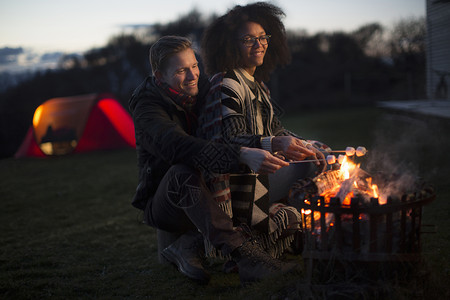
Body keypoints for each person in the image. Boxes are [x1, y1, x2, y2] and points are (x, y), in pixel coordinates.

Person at [128, 35, 299, 285]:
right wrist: (240, 155)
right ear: (159, 77)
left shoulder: (204, 90)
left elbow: (231, 124)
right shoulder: (147, 106)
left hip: (209, 191)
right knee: (182, 172)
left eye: (195, 65)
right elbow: (178, 147)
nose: (192, 75)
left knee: (237, 163)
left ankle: (190, 245)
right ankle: (247, 259)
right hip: (167, 202)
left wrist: (268, 134)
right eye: (181, 70)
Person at [201, 2, 328, 202]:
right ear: (230, 45)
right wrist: (277, 143)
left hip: (259, 175)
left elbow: (277, 131)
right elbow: (232, 140)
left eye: (262, 37)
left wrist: (304, 145)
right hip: (239, 184)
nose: (259, 45)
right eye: (248, 39)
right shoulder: (228, 81)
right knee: (321, 164)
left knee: (320, 151)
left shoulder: (259, 86)